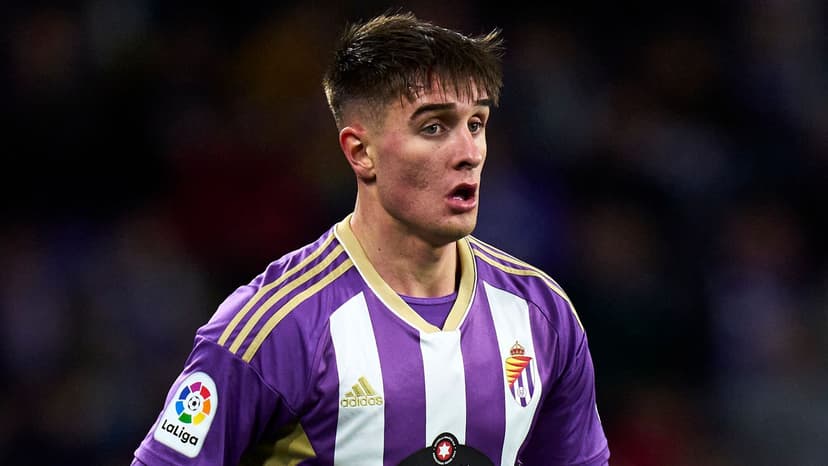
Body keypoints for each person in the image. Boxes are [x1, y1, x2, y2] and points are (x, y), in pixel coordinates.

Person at [132, 11, 609, 466]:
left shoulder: (541, 315)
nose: (469, 152)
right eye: (434, 127)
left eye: (476, 124)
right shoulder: (277, 326)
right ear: (361, 152)